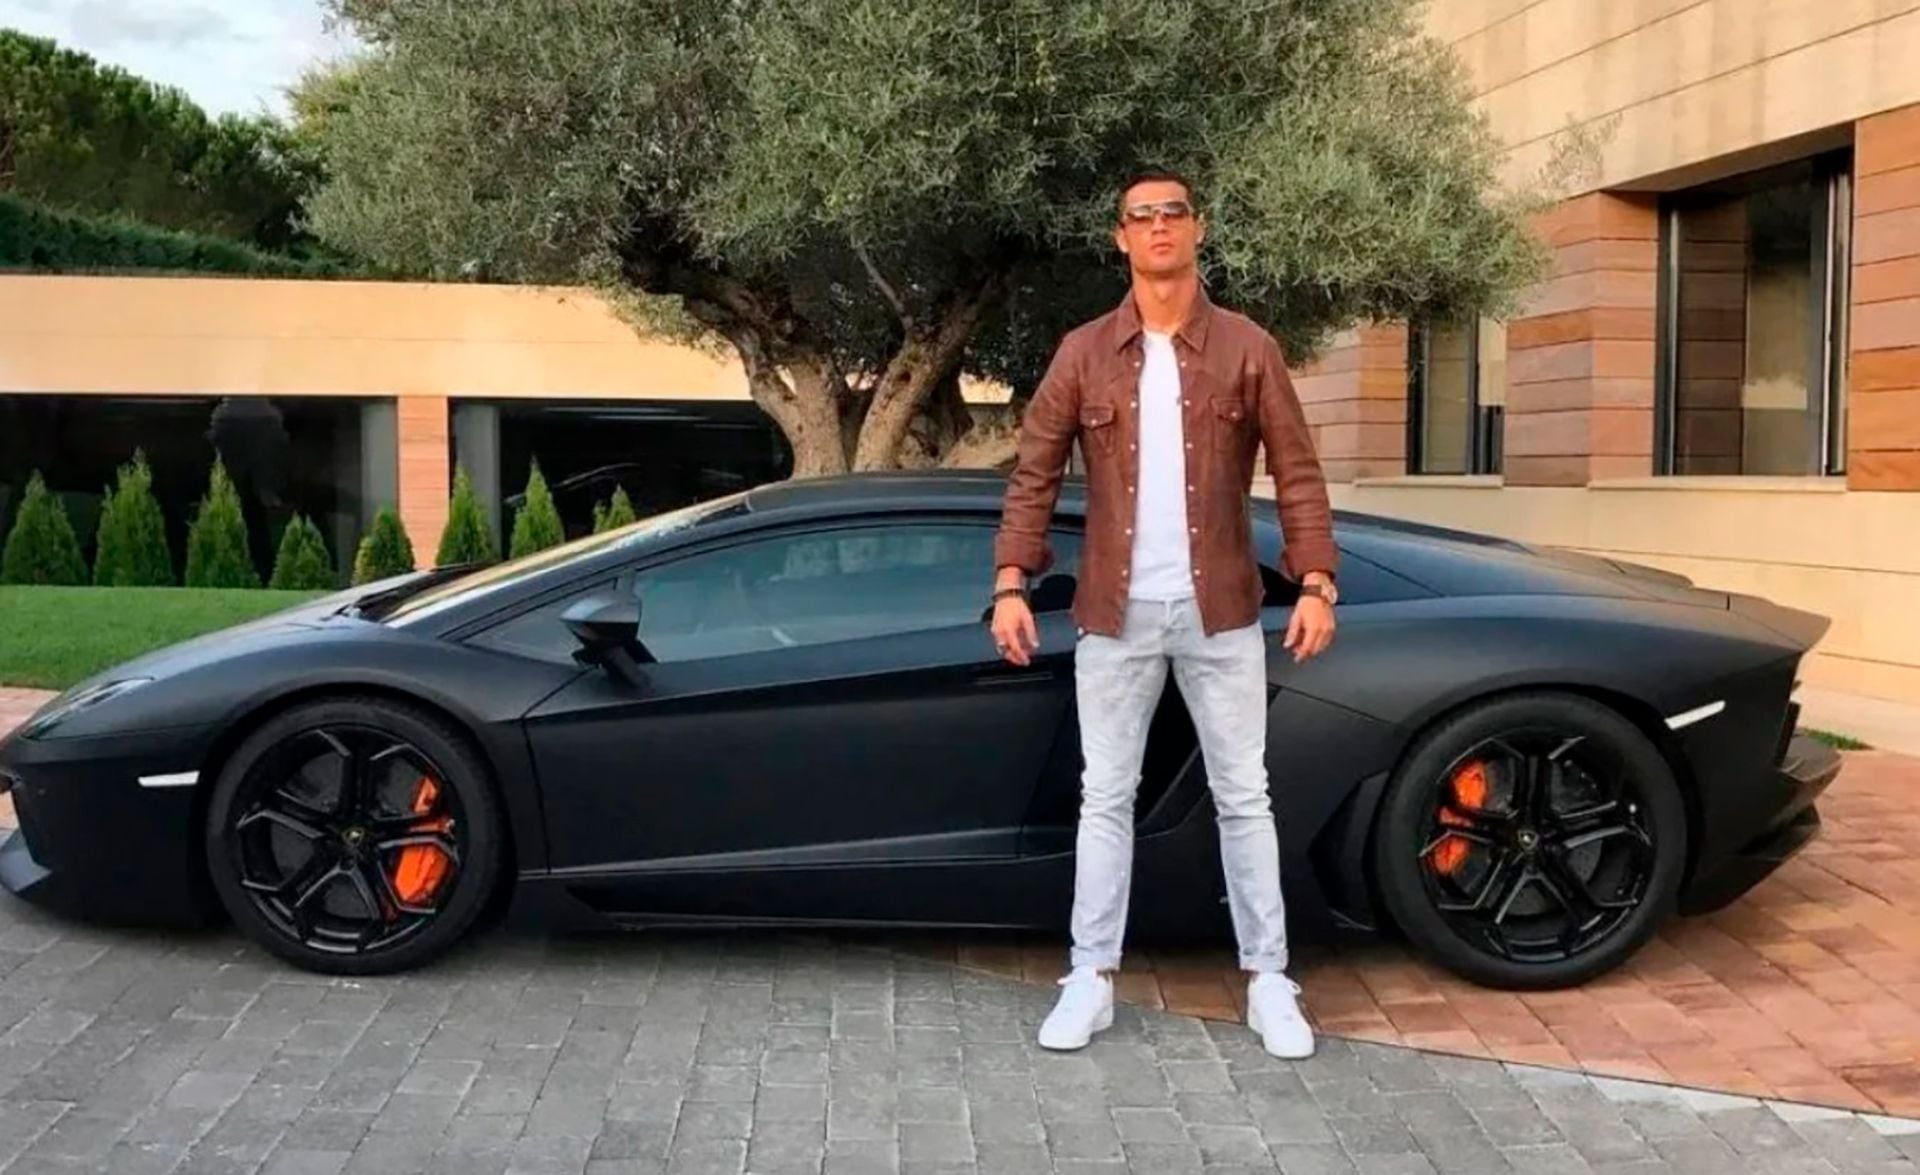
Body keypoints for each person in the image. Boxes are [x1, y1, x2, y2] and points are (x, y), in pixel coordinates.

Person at [989, 170, 1339, 1059]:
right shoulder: (1083, 353)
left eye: (1171, 213)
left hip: (1221, 612)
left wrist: (1316, 580)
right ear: (1121, 238)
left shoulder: (1248, 347)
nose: (1157, 228)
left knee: (1244, 794)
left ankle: (1269, 979)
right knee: (1104, 795)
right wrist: (1011, 580)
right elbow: (1034, 474)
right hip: (1116, 613)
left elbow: (1297, 470)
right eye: (1140, 217)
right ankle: (1090, 977)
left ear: (1196, 228)